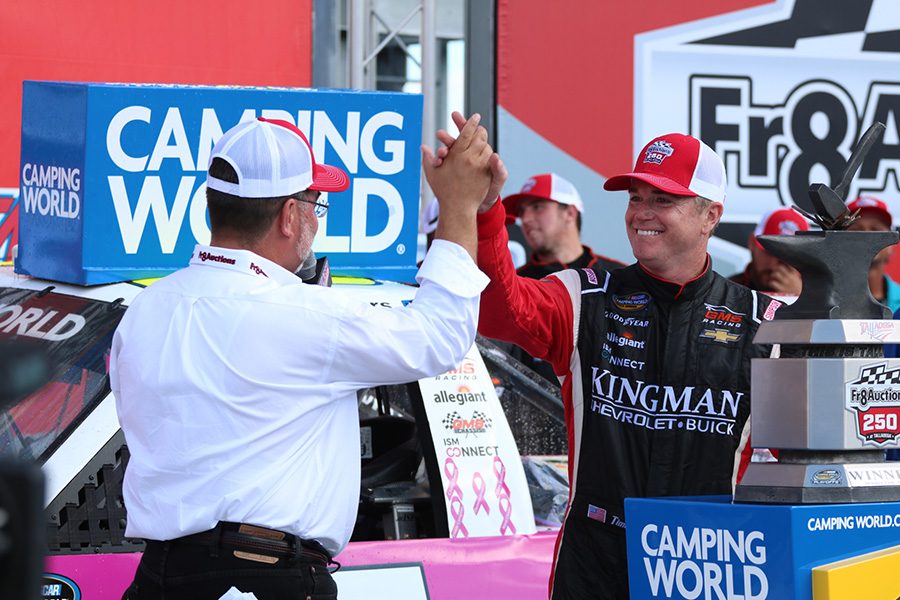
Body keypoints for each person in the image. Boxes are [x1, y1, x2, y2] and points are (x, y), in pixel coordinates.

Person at [111, 114, 497, 600]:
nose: (317, 218)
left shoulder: (147, 308)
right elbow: (441, 334)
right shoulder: (307, 315)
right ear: (290, 217)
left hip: (159, 577)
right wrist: (459, 208)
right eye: (317, 204)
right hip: (261, 577)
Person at [438, 120, 783, 598]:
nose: (642, 212)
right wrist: (486, 209)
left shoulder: (763, 322)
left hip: (711, 559)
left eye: (663, 199)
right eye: (635, 197)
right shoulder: (585, 295)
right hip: (597, 559)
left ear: (710, 216)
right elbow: (498, 312)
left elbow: (814, 462)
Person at [503, 173, 624, 279]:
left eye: (537, 207)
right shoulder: (517, 285)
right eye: (521, 212)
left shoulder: (616, 276)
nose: (525, 219)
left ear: (570, 213)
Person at [729, 206, 809, 295]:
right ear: (752, 242)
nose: (776, 265)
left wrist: (801, 297)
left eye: (788, 255)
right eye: (770, 251)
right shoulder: (728, 291)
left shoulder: (820, 295)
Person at [847, 195, 900, 312]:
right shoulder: (827, 300)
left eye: (876, 229)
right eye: (856, 230)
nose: (867, 236)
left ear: (892, 243)